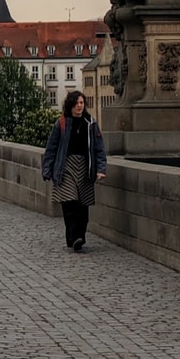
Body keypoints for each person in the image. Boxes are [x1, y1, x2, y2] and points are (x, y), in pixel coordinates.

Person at [41, 91, 107, 252]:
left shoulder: (90, 123)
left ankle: (80, 237)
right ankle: (73, 236)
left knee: (83, 205)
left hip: (85, 167)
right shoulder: (61, 123)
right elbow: (51, 148)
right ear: (70, 105)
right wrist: (47, 169)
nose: (80, 106)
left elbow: (99, 148)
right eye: (77, 103)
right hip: (66, 166)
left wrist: (101, 168)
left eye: (82, 103)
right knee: (70, 201)